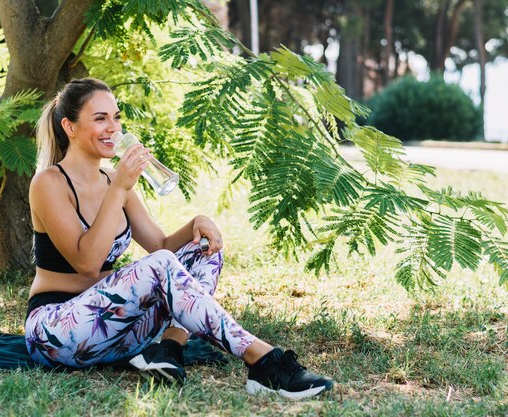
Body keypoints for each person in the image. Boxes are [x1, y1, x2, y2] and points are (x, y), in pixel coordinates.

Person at [25, 78, 333, 400]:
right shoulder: (49, 183)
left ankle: (169, 348)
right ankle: (264, 361)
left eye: (116, 117)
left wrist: (195, 225)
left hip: (115, 333)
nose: (112, 128)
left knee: (204, 251)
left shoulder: (111, 181)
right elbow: (87, 264)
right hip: (57, 334)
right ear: (69, 127)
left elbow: (160, 246)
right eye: (100, 118)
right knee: (160, 266)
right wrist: (119, 188)